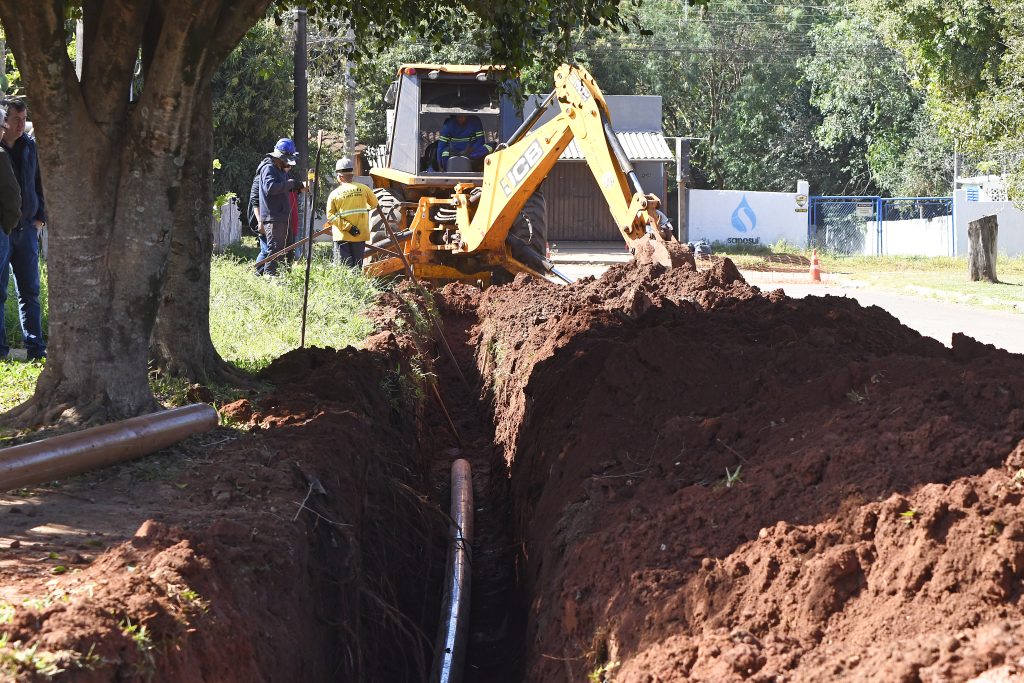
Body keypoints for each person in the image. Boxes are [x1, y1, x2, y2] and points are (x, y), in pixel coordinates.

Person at [0, 96, 44, 360]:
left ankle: (36, 349)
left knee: (30, 291)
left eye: (24, 118)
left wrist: (41, 217)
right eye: (15, 119)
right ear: (5, 121)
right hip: (3, 229)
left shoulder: (30, 147)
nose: (21, 124)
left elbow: (40, 182)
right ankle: (2, 350)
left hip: (27, 228)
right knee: (0, 290)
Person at [256, 138, 304, 276]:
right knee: (275, 250)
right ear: (279, 157)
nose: (288, 162)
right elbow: (270, 188)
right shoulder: (268, 168)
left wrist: (297, 186)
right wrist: (290, 183)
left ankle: (285, 276)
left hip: (283, 216)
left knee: (288, 249)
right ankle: (269, 278)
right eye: (286, 159)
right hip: (273, 216)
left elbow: (283, 188)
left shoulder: (281, 170)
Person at [325, 157, 377, 268]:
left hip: (342, 236)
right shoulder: (364, 189)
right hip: (360, 234)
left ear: (339, 176)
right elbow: (374, 204)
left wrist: (348, 227)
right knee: (357, 267)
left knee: (343, 268)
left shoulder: (334, 194)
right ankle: (356, 285)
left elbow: (330, 217)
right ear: (352, 174)